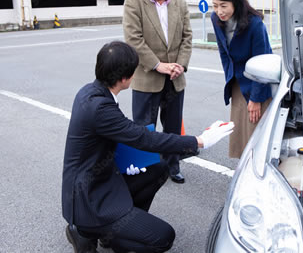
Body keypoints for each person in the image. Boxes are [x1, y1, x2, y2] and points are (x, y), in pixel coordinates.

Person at [61, 41, 233, 253]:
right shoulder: (100, 108)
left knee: (159, 167)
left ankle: (115, 233)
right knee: (163, 237)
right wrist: (199, 141)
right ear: (125, 78)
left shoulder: (90, 91)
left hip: (100, 179)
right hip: (90, 199)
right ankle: (88, 233)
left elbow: (119, 137)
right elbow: (144, 139)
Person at [123, 0, 191, 184]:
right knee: (143, 128)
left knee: (172, 128)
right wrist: (158, 65)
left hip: (175, 78)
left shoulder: (180, 4)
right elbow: (134, 39)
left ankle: (172, 166)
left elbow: (187, 39)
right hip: (146, 78)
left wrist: (180, 65)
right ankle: (144, 169)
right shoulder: (134, 2)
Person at [209, 0, 272, 159]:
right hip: (238, 82)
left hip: (258, 82)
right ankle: (244, 168)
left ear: (235, 2)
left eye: (223, 5)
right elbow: (224, 53)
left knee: (255, 128)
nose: (219, 11)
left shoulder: (254, 24)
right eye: (215, 5)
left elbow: (263, 62)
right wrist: (230, 77)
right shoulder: (215, 19)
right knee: (240, 130)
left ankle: (257, 170)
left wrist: (256, 98)